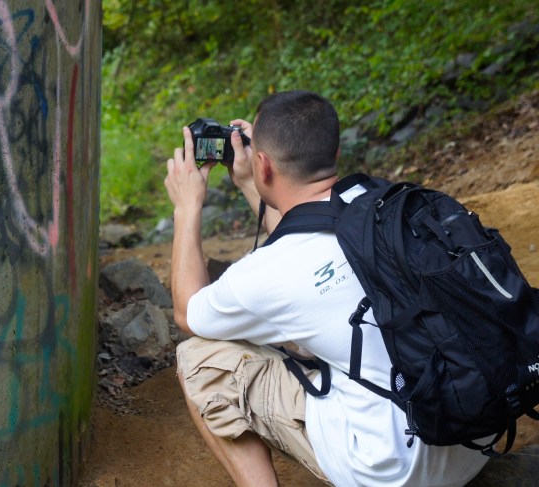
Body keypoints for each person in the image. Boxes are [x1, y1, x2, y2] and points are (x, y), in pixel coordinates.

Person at [163, 90, 489, 487]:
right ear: (335, 151)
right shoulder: (385, 202)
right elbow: (301, 234)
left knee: (198, 357)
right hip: (473, 436)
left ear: (264, 164)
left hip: (392, 470)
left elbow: (189, 312)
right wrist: (251, 183)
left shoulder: (270, 272)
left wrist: (187, 208)